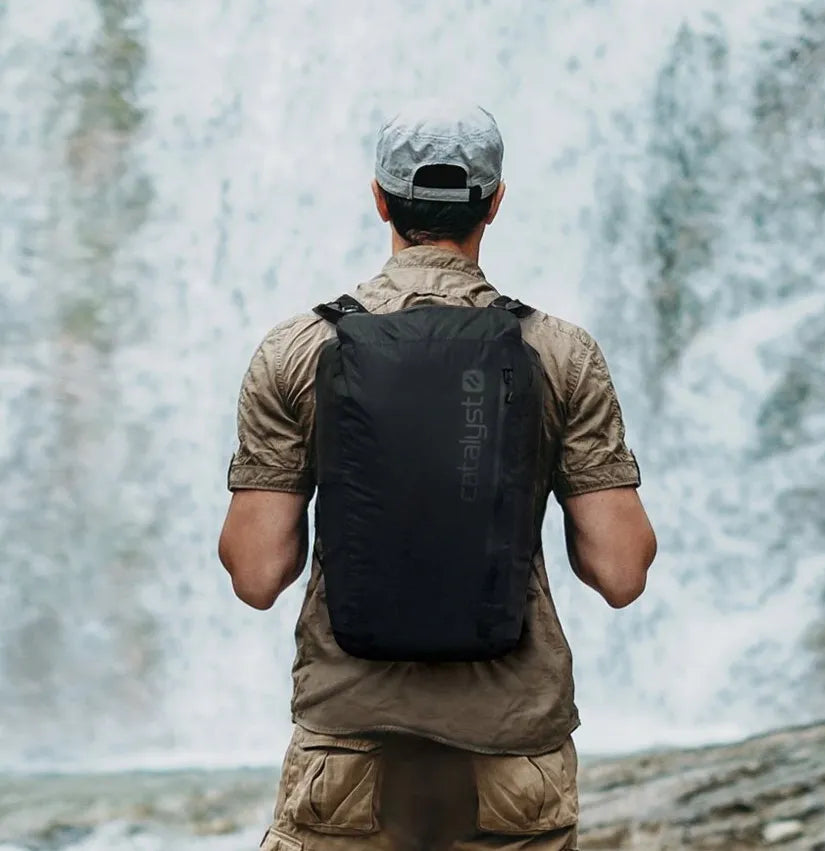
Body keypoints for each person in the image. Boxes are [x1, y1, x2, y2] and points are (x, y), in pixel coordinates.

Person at [219, 101, 657, 851]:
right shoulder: (560, 352)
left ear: (380, 200)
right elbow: (619, 571)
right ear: (496, 202)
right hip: (513, 746)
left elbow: (258, 574)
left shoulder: (297, 348)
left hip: (348, 743)